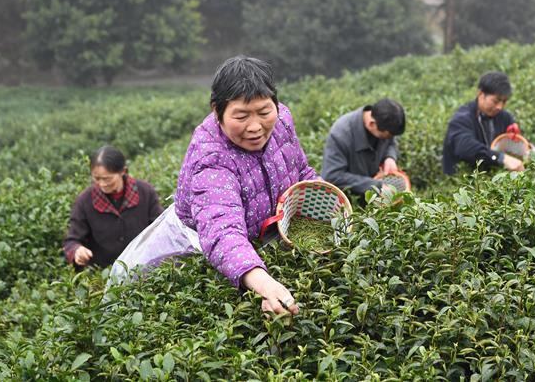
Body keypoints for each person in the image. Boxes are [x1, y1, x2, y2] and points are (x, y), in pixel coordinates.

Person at [171, 56, 316, 316]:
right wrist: (263, 283)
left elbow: (300, 171)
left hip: (263, 233)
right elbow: (221, 231)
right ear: (217, 111)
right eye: (241, 115)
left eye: (263, 112)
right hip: (203, 248)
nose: (255, 127)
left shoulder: (282, 119)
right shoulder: (211, 159)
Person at [63, 146, 163, 269]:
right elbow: (72, 240)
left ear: (123, 171)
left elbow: (160, 229)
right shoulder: (84, 200)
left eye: (107, 178)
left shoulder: (145, 192)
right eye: (97, 178)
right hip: (102, 274)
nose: (102, 184)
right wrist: (77, 250)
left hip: (143, 269)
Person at [442, 71, 525, 175]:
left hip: (493, 181)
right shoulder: (461, 119)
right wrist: (500, 158)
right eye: (495, 101)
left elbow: (517, 145)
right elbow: (466, 148)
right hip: (464, 183)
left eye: (504, 102)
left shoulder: (504, 117)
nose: (500, 107)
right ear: (481, 94)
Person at [321, 99, 406, 198]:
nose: (389, 138)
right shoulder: (340, 135)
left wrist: (390, 157)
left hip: (375, 196)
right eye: (386, 136)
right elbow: (333, 176)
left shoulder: (384, 125)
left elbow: (391, 142)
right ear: (371, 124)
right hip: (348, 202)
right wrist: (375, 186)